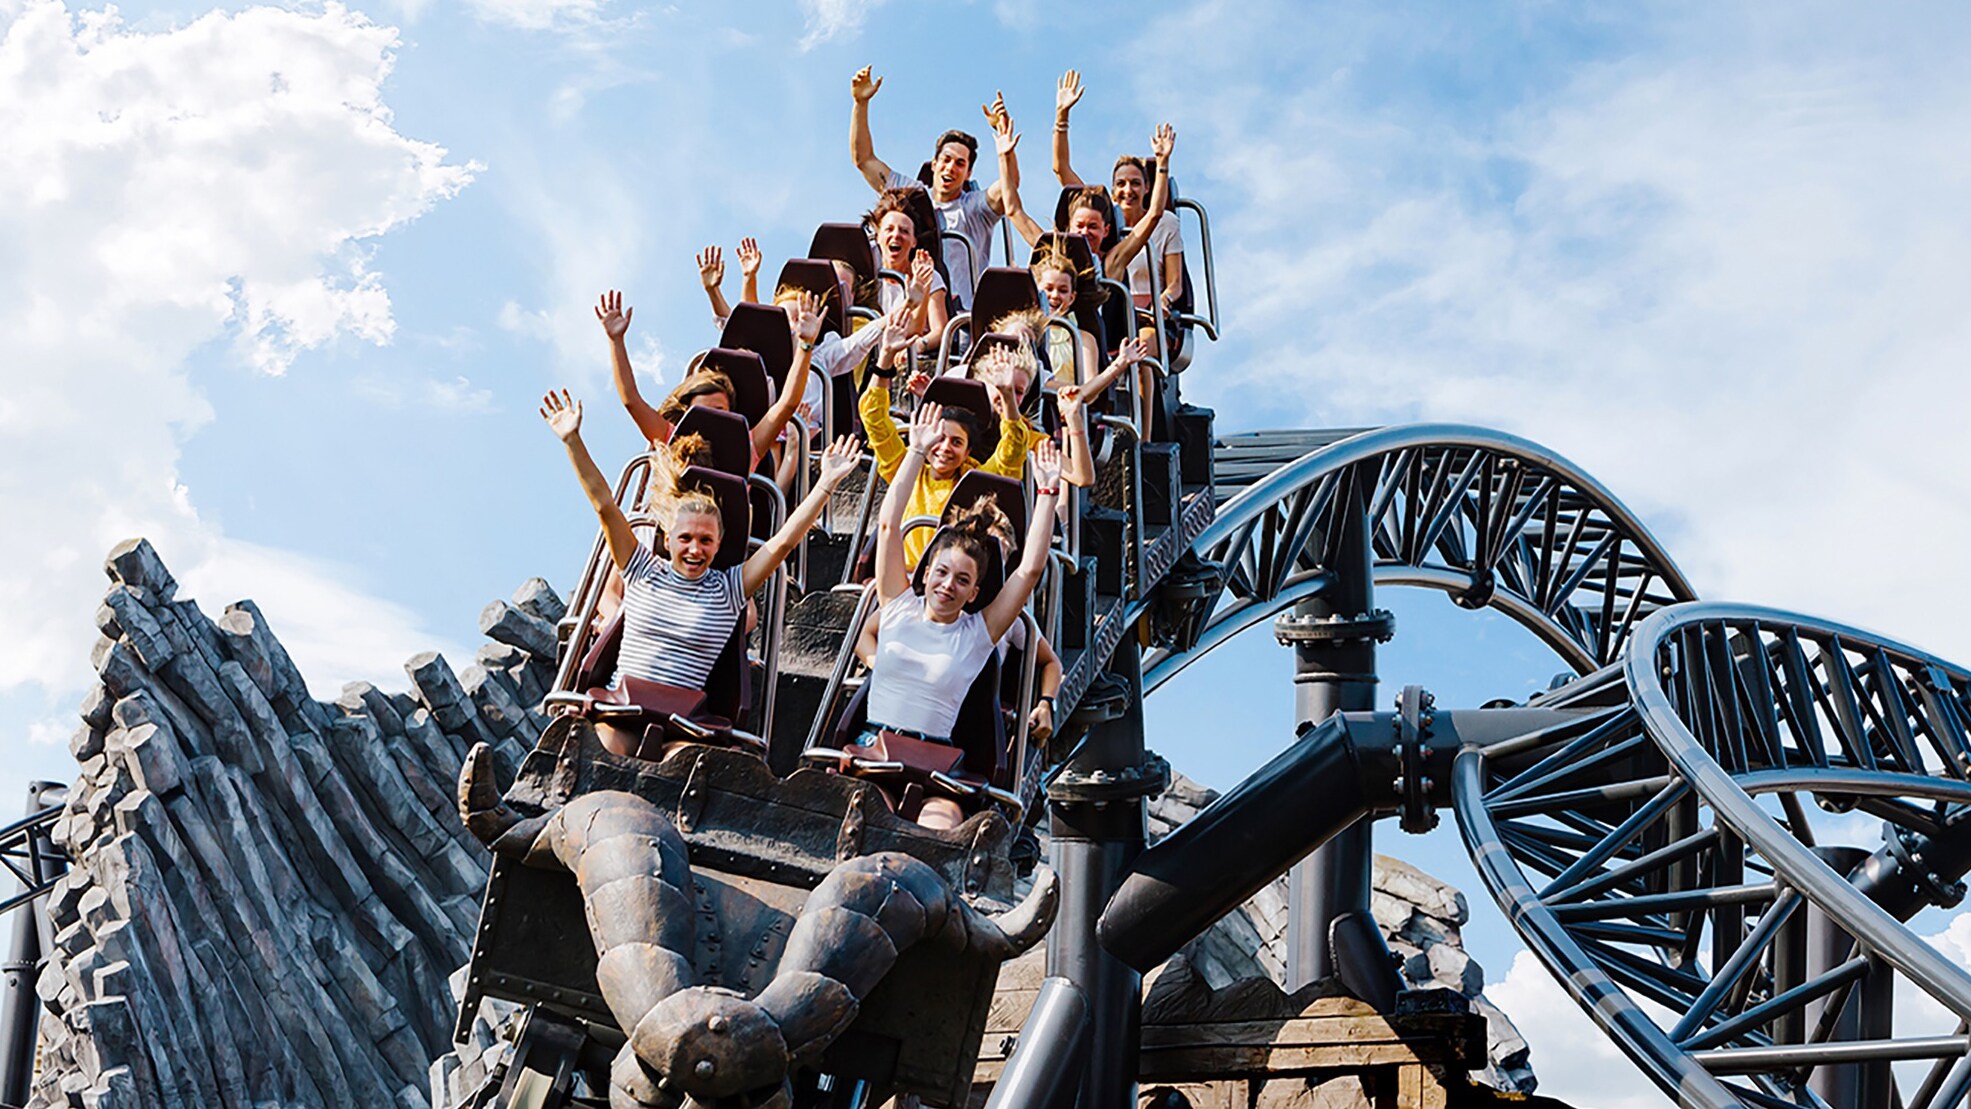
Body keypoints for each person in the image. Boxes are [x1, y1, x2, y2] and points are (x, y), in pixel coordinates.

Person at [539, 388, 861, 757]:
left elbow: (783, 544)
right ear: (668, 538)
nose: (695, 549)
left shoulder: (729, 588)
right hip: (622, 709)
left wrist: (825, 484)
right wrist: (572, 440)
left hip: (684, 725)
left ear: (719, 544)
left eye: (705, 540)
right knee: (598, 752)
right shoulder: (642, 568)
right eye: (686, 538)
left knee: (691, 766)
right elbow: (604, 504)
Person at [856, 401, 1063, 829]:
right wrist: (915, 451)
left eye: (962, 580)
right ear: (927, 573)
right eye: (943, 573)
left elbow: (1029, 571)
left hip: (936, 765)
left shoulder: (976, 634)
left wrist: (1046, 494)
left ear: (973, 594)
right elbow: (889, 527)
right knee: (865, 812)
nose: (948, 585)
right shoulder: (897, 606)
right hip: (875, 750)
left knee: (939, 827)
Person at [862, 315, 1032, 567]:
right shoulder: (907, 469)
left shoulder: (974, 479)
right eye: (939, 438)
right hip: (904, 578)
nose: (944, 448)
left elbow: (1012, 451)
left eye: (956, 442)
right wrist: (885, 358)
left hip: (949, 582)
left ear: (967, 451)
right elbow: (874, 417)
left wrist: (1007, 396)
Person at [850, 66, 1020, 312]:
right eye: (947, 160)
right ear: (935, 164)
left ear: (968, 173)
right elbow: (864, 160)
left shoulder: (973, 208)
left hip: (960, 320)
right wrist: (860, 103)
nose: (951, 168)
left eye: (960, 164)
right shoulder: (911, 196)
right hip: (904, 312)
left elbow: (1010, 186)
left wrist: (1006, 149)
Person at [595, 288, 826, 465]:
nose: (710, 420)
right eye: (703, 411)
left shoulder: (746, 447)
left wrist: (805, 346)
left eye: (719, 412)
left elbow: (787, 404)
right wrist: (616, 342)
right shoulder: (672, 438)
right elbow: (631, 400)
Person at [1052, 71, 1186, 314]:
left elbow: (1175, 282)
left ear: (1147, 187)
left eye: (1136, 183)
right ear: (1113, 191)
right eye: (1121, 184)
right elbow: (1061, 169)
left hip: (1147, 309)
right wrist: (1062, 116)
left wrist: (1163, 163)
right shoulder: (1100, 217)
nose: (1128, 190)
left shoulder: (1164, 223)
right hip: (1106, 305)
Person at [865, 191, 950, 342]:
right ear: (878, 237)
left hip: (911, 354)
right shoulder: (867, 278)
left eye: (904, 231)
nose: (896, 235)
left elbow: (940, 331)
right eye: (889, 229)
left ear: (913, 241)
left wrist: (920, 345)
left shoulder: (927, 274)